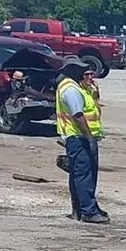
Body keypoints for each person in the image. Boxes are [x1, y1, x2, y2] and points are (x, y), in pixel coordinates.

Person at [54, 61, 108, 223]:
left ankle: (80, 209)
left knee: (78, 174)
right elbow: (78, 115)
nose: (86, 73)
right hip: (79, 137)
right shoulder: (71, 89)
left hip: (76, 136)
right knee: (84, 175)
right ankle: (88, 211)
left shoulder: (72, 87)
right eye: (82, 70)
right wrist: (89, 138)